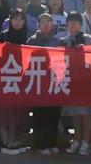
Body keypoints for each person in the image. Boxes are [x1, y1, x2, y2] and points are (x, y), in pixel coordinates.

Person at [61, 11, 91, 156]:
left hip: (87, 82)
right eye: (70, 21)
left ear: (81, 24)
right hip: (71, 81)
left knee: (86, 113)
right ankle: (77, 140)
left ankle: (86, 142)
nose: (73, 24)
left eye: (76, 21)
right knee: (75, 113)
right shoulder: (64, 40)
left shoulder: (88, 39)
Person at [27, 14, 61, 155]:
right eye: (43, 22)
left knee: (53, 114)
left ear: (52, 25)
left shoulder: (56, 41)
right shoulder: (32, 40)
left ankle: (52, 143)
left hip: (53, 82)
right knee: (40, 115)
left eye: (48, 22)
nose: (46, 24)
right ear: (38, 25)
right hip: (38, 82)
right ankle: (41, 144)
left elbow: (60, 62)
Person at [0, 9, 29, 155]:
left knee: (16, 111)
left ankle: (13, 138)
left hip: (20, 80)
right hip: (4, 78)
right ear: (10, 20)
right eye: (14, 18)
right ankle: (5, 141)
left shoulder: (27, 37)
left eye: (21, 19)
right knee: (4, 111)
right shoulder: (3, 35)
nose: (17, 22)